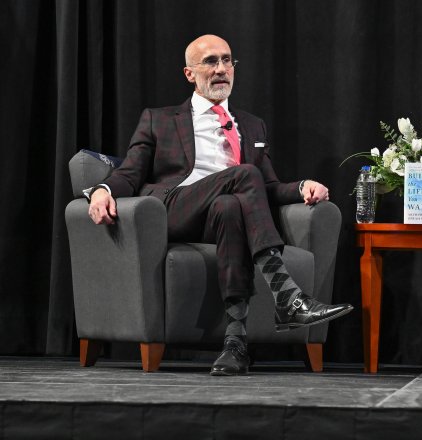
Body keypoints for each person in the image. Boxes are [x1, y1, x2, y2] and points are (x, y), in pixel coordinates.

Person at [84, 34, 353, 376]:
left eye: (227, 61)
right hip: (172, 210)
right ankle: (286, 296)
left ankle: (235, 344)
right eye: (211, 62)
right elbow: (130, 173)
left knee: (230, 205)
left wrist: (302, 187)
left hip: (220, 216)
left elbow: (267, 186)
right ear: (189, 74)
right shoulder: (159, 119)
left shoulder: (252, 125)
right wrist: (101, 189)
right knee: (242, 175)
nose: (222, 69)